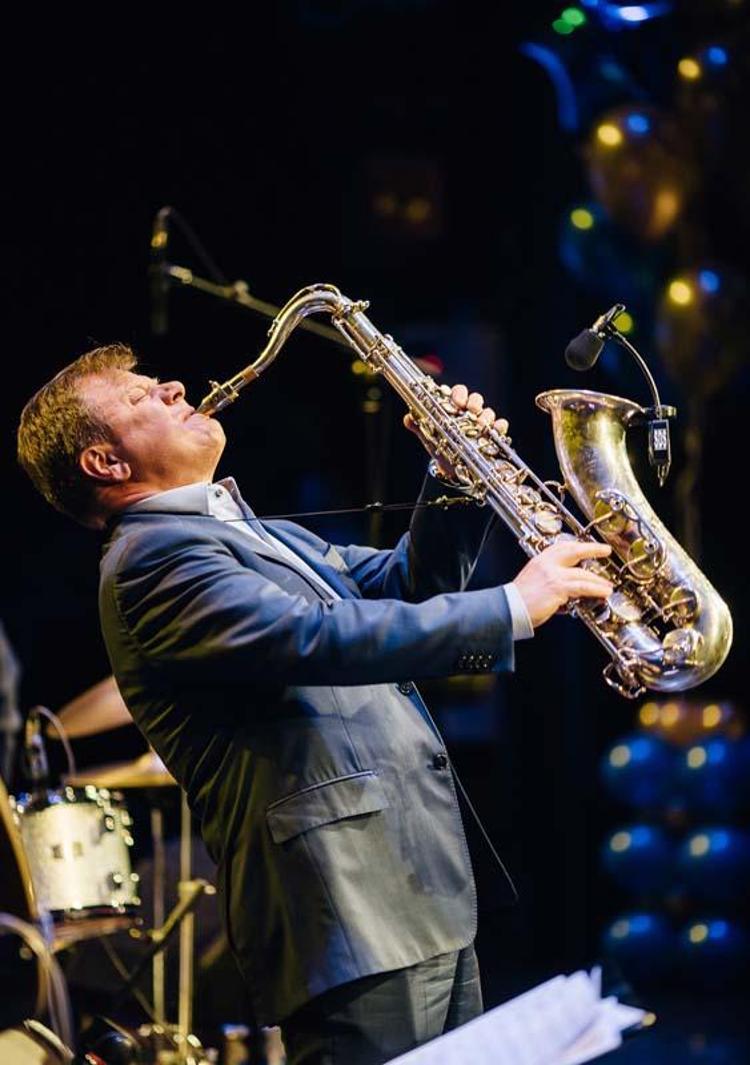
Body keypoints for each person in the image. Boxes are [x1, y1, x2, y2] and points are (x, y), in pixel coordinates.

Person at [17, 344, 612, 1065]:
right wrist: (514, 605)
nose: (174, 385)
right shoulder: (150, 560)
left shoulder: (242, 531)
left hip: (411, 892)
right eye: (142, 396)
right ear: (105, 463)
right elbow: (314, 636)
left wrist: (453, 480)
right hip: (348, 911)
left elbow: (404, 588)